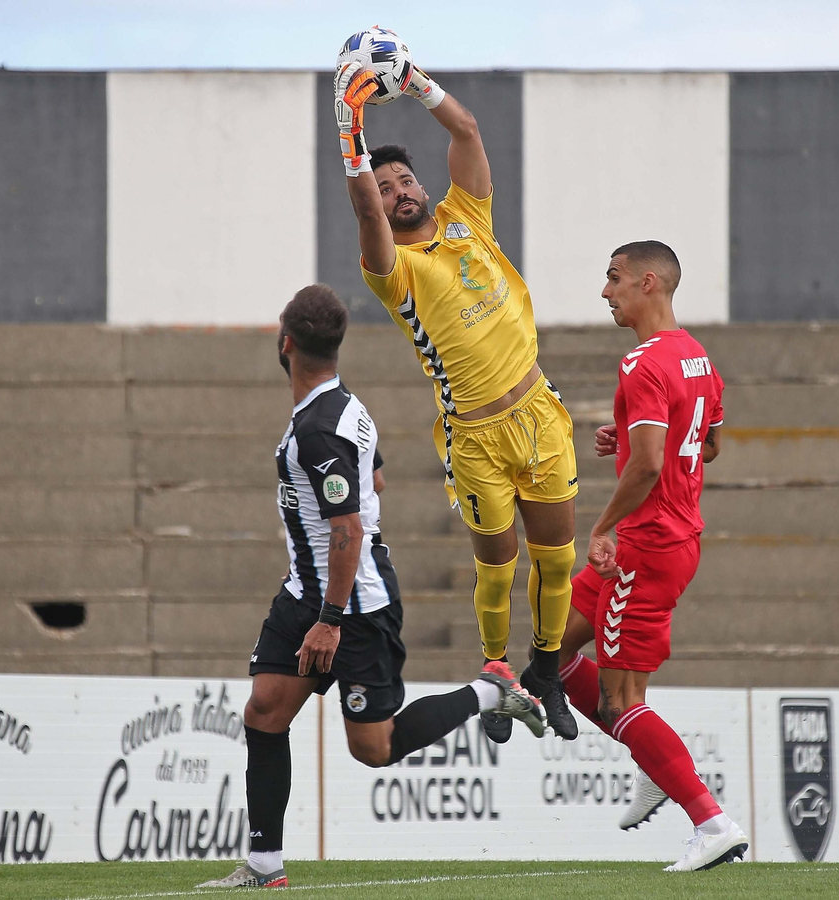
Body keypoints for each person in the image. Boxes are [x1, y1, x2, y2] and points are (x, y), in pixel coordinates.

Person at [200, 285, 545, 889]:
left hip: (351, 606)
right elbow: (375, 481)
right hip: (305, 592)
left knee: (374, 748)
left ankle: (489, 692)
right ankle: (264, 865)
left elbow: (350, 528)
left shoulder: (320, 428)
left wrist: (330, 619)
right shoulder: (343, 407)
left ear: (285, 344)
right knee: (265, 710)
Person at [334, 41, 579, 743]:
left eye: (405, 180)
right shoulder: (394, 269)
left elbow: (466, 130)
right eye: (386, 189)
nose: (400, 192)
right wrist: (350, 130)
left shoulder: (467, 215)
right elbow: (365, 215)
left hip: (537, 410)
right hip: (473, 434)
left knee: (558, 558)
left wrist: (412, 80)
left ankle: (546, 672)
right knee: (497, 565)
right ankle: (497, 673)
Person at [555, 242, 750, 872]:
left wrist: (602, 527)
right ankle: (654, 763)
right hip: (673, 537)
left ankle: (712, 823)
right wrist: (633, 435)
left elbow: (646, 467)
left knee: (619, 702)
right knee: (550, 651)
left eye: (613, 278)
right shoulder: (696, 356)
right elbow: (708, 445)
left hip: (645, 546)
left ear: (648, 283)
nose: (605, 291)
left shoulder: (642, 362)